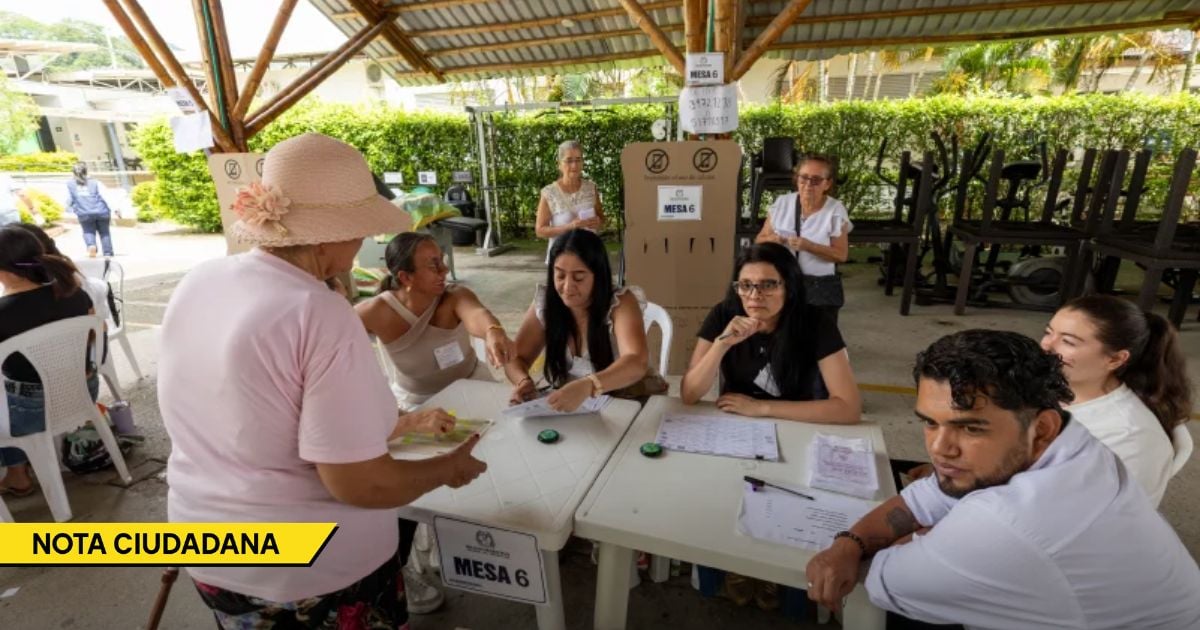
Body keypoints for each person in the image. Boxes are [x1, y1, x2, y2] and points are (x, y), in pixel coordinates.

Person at [158, 133, 487, 629]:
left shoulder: (201, 280)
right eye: (359, 230)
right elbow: (361, 482)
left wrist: (400, 424)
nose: (362, 245)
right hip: (311, 568)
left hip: (208, 545)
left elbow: (262, 411)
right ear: (330, 234)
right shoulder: (319, 310)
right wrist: (447, 470)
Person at [806, 330, 1200, 630]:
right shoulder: (1071, 440)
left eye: (972, 429)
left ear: (1041, 428)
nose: (940, 448)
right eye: (929, 423)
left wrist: (907, 541)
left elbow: (886, 579)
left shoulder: (1011, 524)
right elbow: (922, 499)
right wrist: (850, 542)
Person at [681, 242, 860, 424]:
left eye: (768, 285)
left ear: (789, 288)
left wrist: (761, 408)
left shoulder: (816, 321)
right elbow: (689, 395)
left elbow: (849, 409)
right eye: (745, 285)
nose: (754, 295)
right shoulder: (724, 314)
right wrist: (721, 344)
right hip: (737, 422)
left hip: (798, 421)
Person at [1040, 295, 1193, 506]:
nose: (1046, 346)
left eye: (1068, 341)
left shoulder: (1127, 438)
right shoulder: (1053, 389)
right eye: (1048, 332)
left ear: (1115, 359)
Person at [356, 232, 515, 410]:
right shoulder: (377, 312)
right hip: (415, 403)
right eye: (434, 265)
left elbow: (477, 313)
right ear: (406, 277)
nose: (445, 270)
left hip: (473, 384)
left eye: (441, 260)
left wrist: (493, 330)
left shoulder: (453, 296)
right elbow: (333, 339)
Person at [505, 228, 654, 412]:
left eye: (579, 277)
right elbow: (515, 358)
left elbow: (636, 361)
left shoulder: (620, 302)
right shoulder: (547, 302)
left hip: (625, 402)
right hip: (573, 409)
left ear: (598, 276)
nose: (567, 287)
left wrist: (590, 385)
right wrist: (523, 381)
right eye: (559, 275)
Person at [0, 225, 97, 497]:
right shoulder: (74, 293)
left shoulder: (3, 313)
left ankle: (17, 473)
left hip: (32, 411)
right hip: (85, 391)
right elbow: (94, 342)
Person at [755, 154, 851, 321]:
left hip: (818, 286)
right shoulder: (782, 203)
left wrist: (809, 246)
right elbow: (760, 240)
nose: (808, 185)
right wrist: (773, 240)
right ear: (796, 178)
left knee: (817, 337)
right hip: (782, 283)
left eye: (816, 180)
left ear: (827, 183)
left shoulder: (835, 210)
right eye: (803, 178)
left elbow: (841, 255)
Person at [534, 140, 603, 263]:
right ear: (559, 164)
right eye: (569, 160)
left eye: (578, 159)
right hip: (561, 259)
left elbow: (602, 218)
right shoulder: (549, 193)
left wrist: (598, 222)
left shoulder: (591, 188)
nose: (574, 165)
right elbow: (540, 231)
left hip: (589, 257)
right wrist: (570, 227)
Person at [66, 162, 115, 258]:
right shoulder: (95, 182)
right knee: (104, 232)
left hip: (84, 212)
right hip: (101, 211)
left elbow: (68, 200)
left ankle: (91, 245)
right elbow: (106, 196)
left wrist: (69, 209)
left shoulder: (70, 184)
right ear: (86, 171)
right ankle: (108, 253)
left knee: (88, 231)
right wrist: (116, 208)